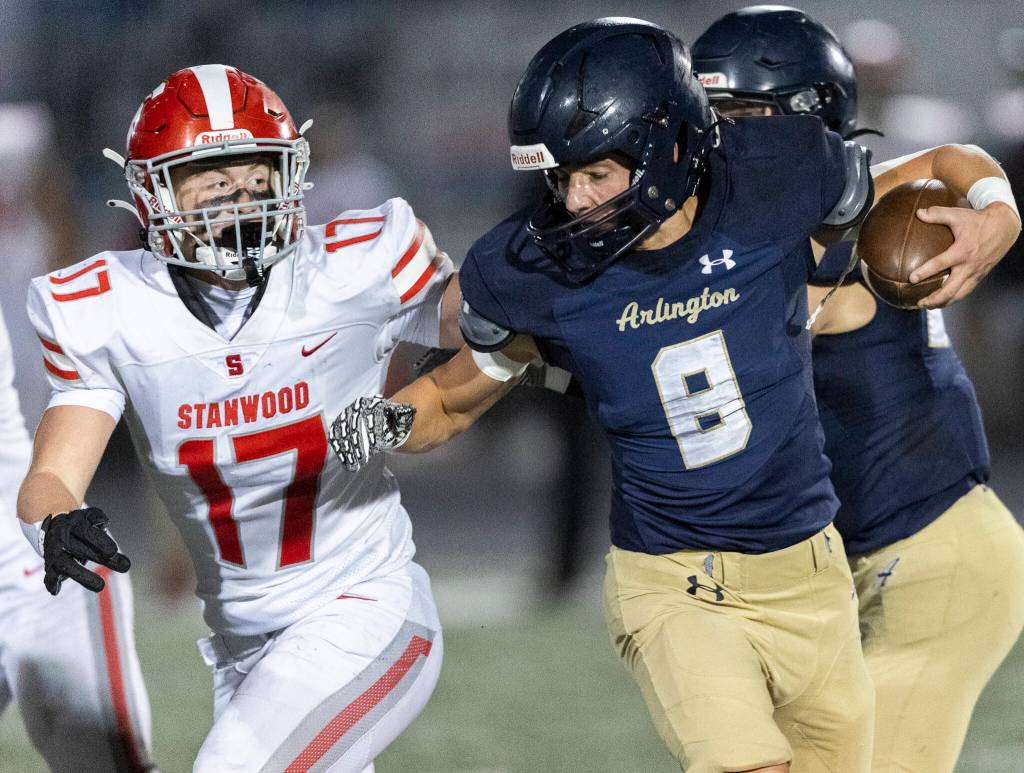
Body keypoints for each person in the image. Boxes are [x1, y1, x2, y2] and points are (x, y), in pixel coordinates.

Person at [332, 17, 879, 773]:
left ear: (668, 145)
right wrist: (365, 429)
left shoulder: (776, 172)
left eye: (595, 172)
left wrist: (985, 204)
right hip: (675, 581)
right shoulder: (542, 272)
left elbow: (868, 207)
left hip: (812, 571)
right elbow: (454, 400)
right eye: (560, 178)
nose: (575, 201)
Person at [16, 64, 460, 773]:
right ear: (152, 191)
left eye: (255, 173)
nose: (239, 196)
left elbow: (486, 327)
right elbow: (51, 477)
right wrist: (56, 520)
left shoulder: (350, 266)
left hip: (365, 607)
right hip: (245, 650)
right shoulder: (109, 308)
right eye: (211, 176)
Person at [692, 7, 1024, 772]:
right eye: (712, 116)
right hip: (855, 568)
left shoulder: (841, 226)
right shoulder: (763, 227)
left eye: (743, 114)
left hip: (937, 560)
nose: (721, 138)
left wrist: (997, 214)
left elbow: (953, 157)